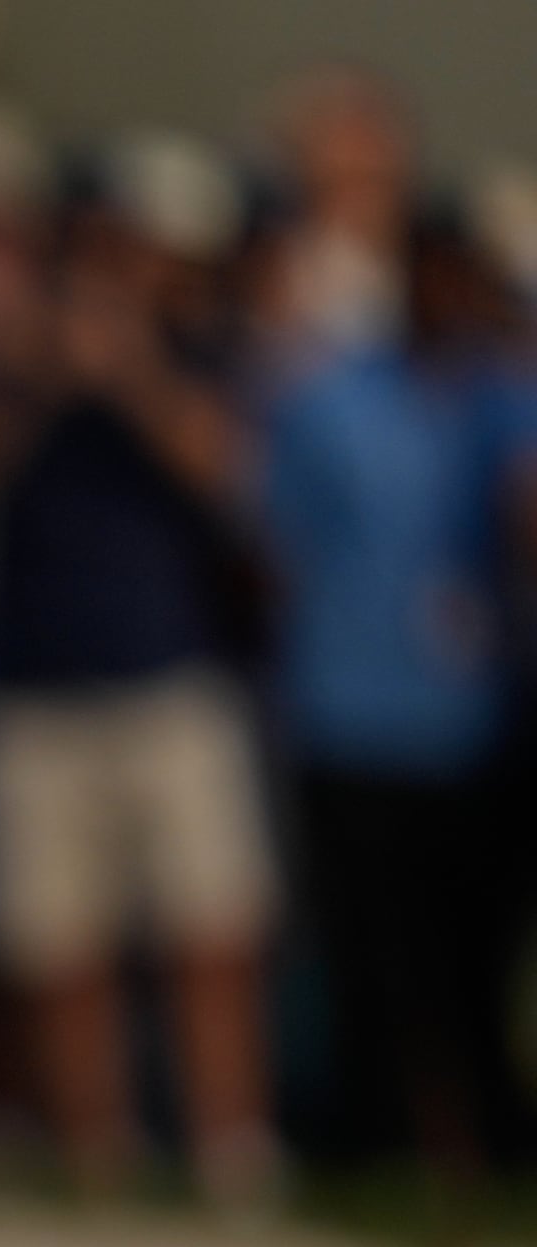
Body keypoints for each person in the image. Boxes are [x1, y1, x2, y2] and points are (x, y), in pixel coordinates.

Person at [0, 178, 283, 1206]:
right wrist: (34, 385)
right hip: (30, 689)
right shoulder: (7, 364)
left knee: (211, 933)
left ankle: (231, 1153)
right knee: (60, 946)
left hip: (169, 681)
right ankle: (98, 1161)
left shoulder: (199, 350)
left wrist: (131, 374)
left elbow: (227, 471)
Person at [258, 211, 532, 1174]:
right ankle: (378, 1140)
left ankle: (487, 1138)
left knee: (475, 955)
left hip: (480, 724)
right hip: (352, 713)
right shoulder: (330, 399)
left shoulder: (506, 401)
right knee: (371, 954)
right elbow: (279, 551)